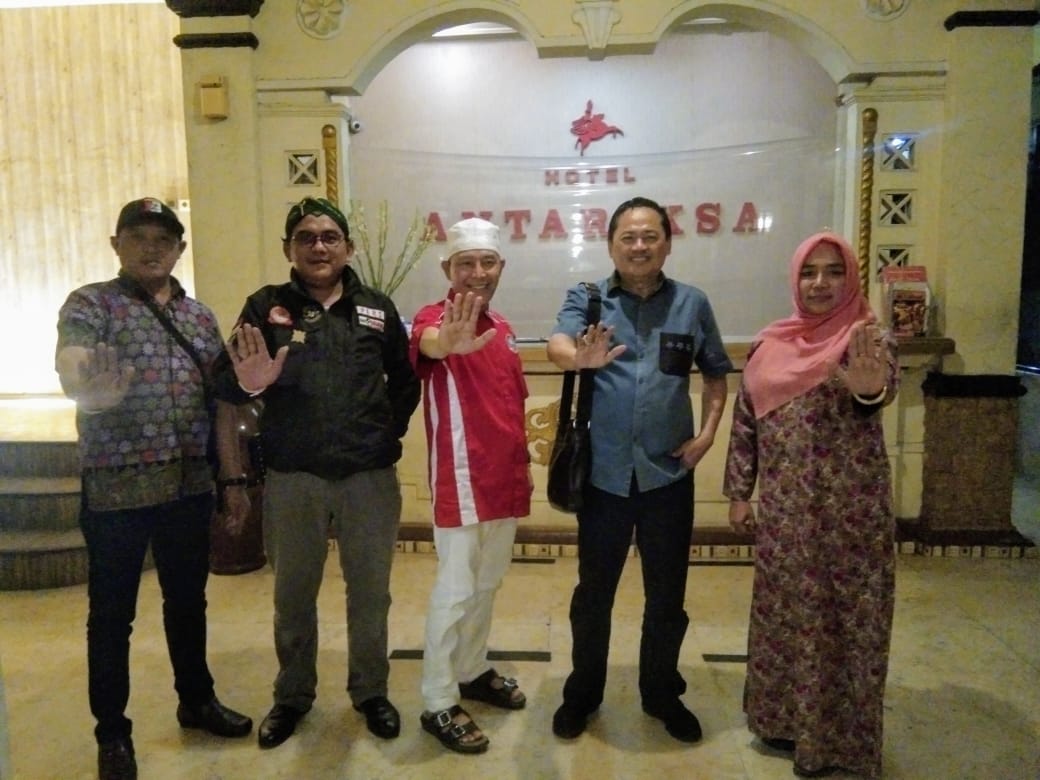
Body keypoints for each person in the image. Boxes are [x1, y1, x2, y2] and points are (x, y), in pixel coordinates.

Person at [55, 198, 253, 780]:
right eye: (137, 236)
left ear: (179, 249)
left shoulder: (199, 318)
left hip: (187, 489)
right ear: (116, 244)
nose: (151, 247)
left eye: (163, 239)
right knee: (111, 617)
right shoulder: (91, 303)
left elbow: (222, 404)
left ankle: (196, 701)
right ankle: (112, 734)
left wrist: (232, 478)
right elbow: (72, 358)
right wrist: (84, 385)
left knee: (188, 605)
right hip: (116, 494)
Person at [213, 197, 420, 750]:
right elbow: (224, 381)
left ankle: (371, 691)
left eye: (330, 237)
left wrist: (384, 433)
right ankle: (292, 696)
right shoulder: (266, 308)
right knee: (292, 595)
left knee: (370, 594)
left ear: (348, 247)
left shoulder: (376, 308)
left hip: (368, 478)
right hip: (293, 478)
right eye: (306, 237)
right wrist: (251, 382)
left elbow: (405, 382)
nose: (319, 246)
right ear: (289, 249)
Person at [546, 196, 733, 743]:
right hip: (604, 476)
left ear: (667, 243)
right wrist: (578, 358)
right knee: (594, 594)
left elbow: (716, 374)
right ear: (611, 245)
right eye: (627, 237)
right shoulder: (589, 298)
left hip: (667, 475)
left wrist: (707, 435)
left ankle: (661, 694)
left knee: (667, 597)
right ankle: (582, 694)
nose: (639, 246)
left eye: (650, 235)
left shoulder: (692, 303)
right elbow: (558, 344)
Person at [722, 231, 898, 779]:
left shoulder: (865, 337)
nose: (821, 283)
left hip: (852, 515)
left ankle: (839, 742)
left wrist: (869, 391)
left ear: (851, 278)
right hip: (786, 514)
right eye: (809, 272)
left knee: (848, 623)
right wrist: (739, 492)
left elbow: (879, 389)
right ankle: (781, 722)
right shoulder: (771, 343)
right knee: (785, 616)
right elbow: (746, 421)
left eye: (834, 271)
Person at [409, 218, 531, 754]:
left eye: (487, 262)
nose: (477, 273)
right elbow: (431, 345)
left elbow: (511, 404)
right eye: (465, 263)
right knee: (456, 589)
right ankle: (438, 699)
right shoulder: (433, 319)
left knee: (487, 584)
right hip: (461, 478)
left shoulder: (503, 326)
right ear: (447, 269)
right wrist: (446, 343)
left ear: (501, 267)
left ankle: (472, 668)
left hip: (506, 478)